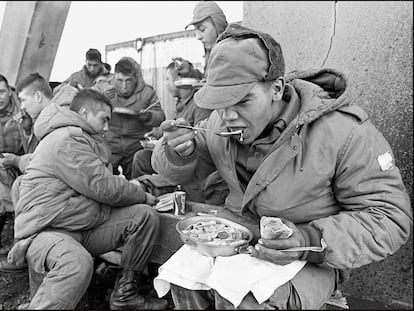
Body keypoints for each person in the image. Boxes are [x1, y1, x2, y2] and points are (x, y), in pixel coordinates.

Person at [152, 24, 413, 309]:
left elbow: (390, 217)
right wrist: (178, 152)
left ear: (276, 89)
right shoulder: (218, 123)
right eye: (220, 102)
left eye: (242, 101)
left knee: (245, 301)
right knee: (182, 282)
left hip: (310, 257)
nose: (228, 116)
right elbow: (176, 171)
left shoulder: (344, 132)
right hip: (239, 244)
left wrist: (308, 240)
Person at [7, 89, 168, 310]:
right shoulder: (67, 139)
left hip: (78, 224)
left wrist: (135, 193)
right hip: (47, 231)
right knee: (76, 262)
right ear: (84, 112)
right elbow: (104, 188)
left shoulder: (82, 138)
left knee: (143, 216)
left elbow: (99, 184)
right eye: (104, 119)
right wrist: (140, 192)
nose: (106, 127)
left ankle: (124, 295)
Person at [0, 74, 79, 271]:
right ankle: (22, 245)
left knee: (21, 185)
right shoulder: (46, 115)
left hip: (67, 186)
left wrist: (17, 160)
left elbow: (43, 159)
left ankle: (23, 248)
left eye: (23, 100)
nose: (22, 106)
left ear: (37, 97)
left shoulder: (60, 114)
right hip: (55, 178)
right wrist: (27, 130)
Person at [131, 60, 211, 179]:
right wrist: (159, 134)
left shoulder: (199, 106)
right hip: (177, 161)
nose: (166, 84)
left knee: (141, 159)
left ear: (179, 80)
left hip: (191, 168)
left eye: (168, 79)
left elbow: (203, 144)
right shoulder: (181, 105)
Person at [105, 57, 165, 179]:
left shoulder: (147, 92)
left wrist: (149, 116)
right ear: (114, 77)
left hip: (135, 145)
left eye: (128, 81)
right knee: (105, 182)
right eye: (119, 81)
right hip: (110, 145)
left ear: (135, 78)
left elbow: (160, 115)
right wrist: (101, 98)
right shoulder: (105, 89)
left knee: (136, 183)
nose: (124, 86)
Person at [0, 74, 24, 256]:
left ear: (9, 91)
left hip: (21, 164)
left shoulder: (23, 111)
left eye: (1, 92)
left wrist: (16, 161)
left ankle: (12, 221)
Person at [176, 0, 228, 78]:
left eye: (202, 29)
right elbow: (209, 81)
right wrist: (189, 72)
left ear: (218, 26)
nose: (198, 37)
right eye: (196, 30)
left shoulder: (232, 56)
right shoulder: (211, 54)